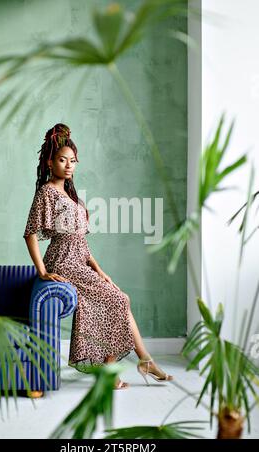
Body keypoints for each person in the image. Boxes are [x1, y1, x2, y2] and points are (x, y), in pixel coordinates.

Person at [23, 123, 173, 397]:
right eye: (62, 160)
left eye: (73, 161)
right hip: (64, 263)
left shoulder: (72, 196)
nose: (68, 165)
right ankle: (122, 367)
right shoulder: (47, 192)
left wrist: (101, 272)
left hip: (81, 262)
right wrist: (43, 272)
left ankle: (141, 361)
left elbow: (83, 243)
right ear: (50, 162)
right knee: (119, 300)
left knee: (118, 297)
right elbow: (30, 234)